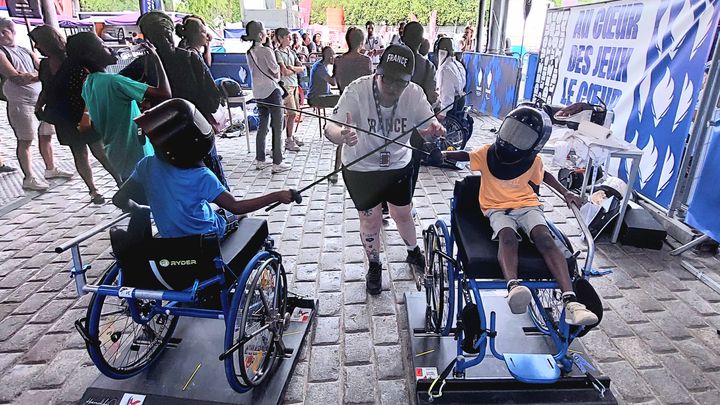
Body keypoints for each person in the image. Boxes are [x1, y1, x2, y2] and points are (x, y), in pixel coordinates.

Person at [441, 106, 599, 326]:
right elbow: (466, 155)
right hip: (496, 208)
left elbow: (546, 176)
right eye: (512, 130)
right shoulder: (487, 153)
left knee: (545, 238)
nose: (513, 139)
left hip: (527, 206)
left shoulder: (533, 161)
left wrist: (566, 193)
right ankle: (514, 287)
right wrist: (442, 153)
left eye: (522, 135)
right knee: (507, 237)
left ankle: (571, 302)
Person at [324, 45, 446, 295]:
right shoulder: (357, 90)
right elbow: (330, 128)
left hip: (399, 164)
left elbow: (426, 124)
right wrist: (343, 135)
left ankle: (413, 251)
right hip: (361, 167)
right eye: (386, 80)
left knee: (403, 212)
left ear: (408, 81)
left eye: (399, 83)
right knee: (370, 219)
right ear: (377, 73)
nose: (392, 88)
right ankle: (375, 264)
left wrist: (432, 130)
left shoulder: (414, 93)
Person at [113, 98, 296, 240]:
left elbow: (119, 199)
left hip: (169, 237)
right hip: (205, 236)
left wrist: (139, 210)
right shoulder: (202, 176)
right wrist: (277, 195)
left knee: (214, 208)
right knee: (238, 215)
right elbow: (237, 206)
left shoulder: (146, 165)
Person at [121, 11, 227, 186]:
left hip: (163, 133)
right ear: (171, 33)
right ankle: (224, 210)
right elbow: (213, 99)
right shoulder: (189, 57)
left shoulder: (143, 64)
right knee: (210, 178)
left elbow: (121, 86)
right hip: (196, 128)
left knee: (176, 181)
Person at [33, 26, 121, 204]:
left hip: (83, 112)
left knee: (100, 151)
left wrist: (87, 113)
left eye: (39, 42)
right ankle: (93, 190)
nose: (36, 46)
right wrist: (39, 105)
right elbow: (46, 87)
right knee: (79, 153)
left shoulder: (73, 59)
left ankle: (121, 182)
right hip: (63, 115)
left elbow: (89, 87)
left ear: (48, 41)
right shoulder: (44, 64)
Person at [73, 32, 171, 181]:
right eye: (103, 46)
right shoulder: (114, 81)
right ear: (91, 55)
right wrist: (157, 59)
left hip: (116, 154)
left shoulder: (89, 83)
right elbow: (165, 93)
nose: (111, 49)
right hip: (137, 153)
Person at [0, 18, 73, 191]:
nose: (2, 35)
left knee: (46, 134)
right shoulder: (1, 53)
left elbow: (42, 69)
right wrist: (36, 75)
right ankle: (29, 176)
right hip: (20, 101)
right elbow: (16, 77)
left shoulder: (25, 50)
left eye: (5, 31)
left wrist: (32, 75)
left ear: (13, 31)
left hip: (39, 98)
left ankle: (50, 168)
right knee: (25, 139)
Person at [243, 21, 291, 173]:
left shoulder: (249, 52)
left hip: (258, 92)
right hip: (271, 91)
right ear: (260, 34)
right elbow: (276, 72)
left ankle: (260, 159)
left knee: (262, 127)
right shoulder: (267, 51)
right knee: (277, 127)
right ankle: (277, 162)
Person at [275, 27, 306, 152]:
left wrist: (292, 68)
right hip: (285, 86)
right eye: (287, 37)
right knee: (291, 113)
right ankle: (288, 139)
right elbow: (284, 71)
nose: (290, 39)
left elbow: (301, 67)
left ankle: (291, 135)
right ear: (281, 38)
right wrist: (293, 70)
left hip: (294, 85)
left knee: (294, 113)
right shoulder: (278, 53)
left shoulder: (291, 52)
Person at [435, 37, 466, 122]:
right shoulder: (458, 64)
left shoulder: (445, 69)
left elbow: (447, 94)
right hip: (459, 102)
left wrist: (442, 113)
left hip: (450, 107)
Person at [334, 27, 372, 93]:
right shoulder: (366, 61)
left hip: (344, 98)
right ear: (361, 42)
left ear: (347, 40)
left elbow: (338, 82)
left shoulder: (338, 60)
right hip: (361, 98)